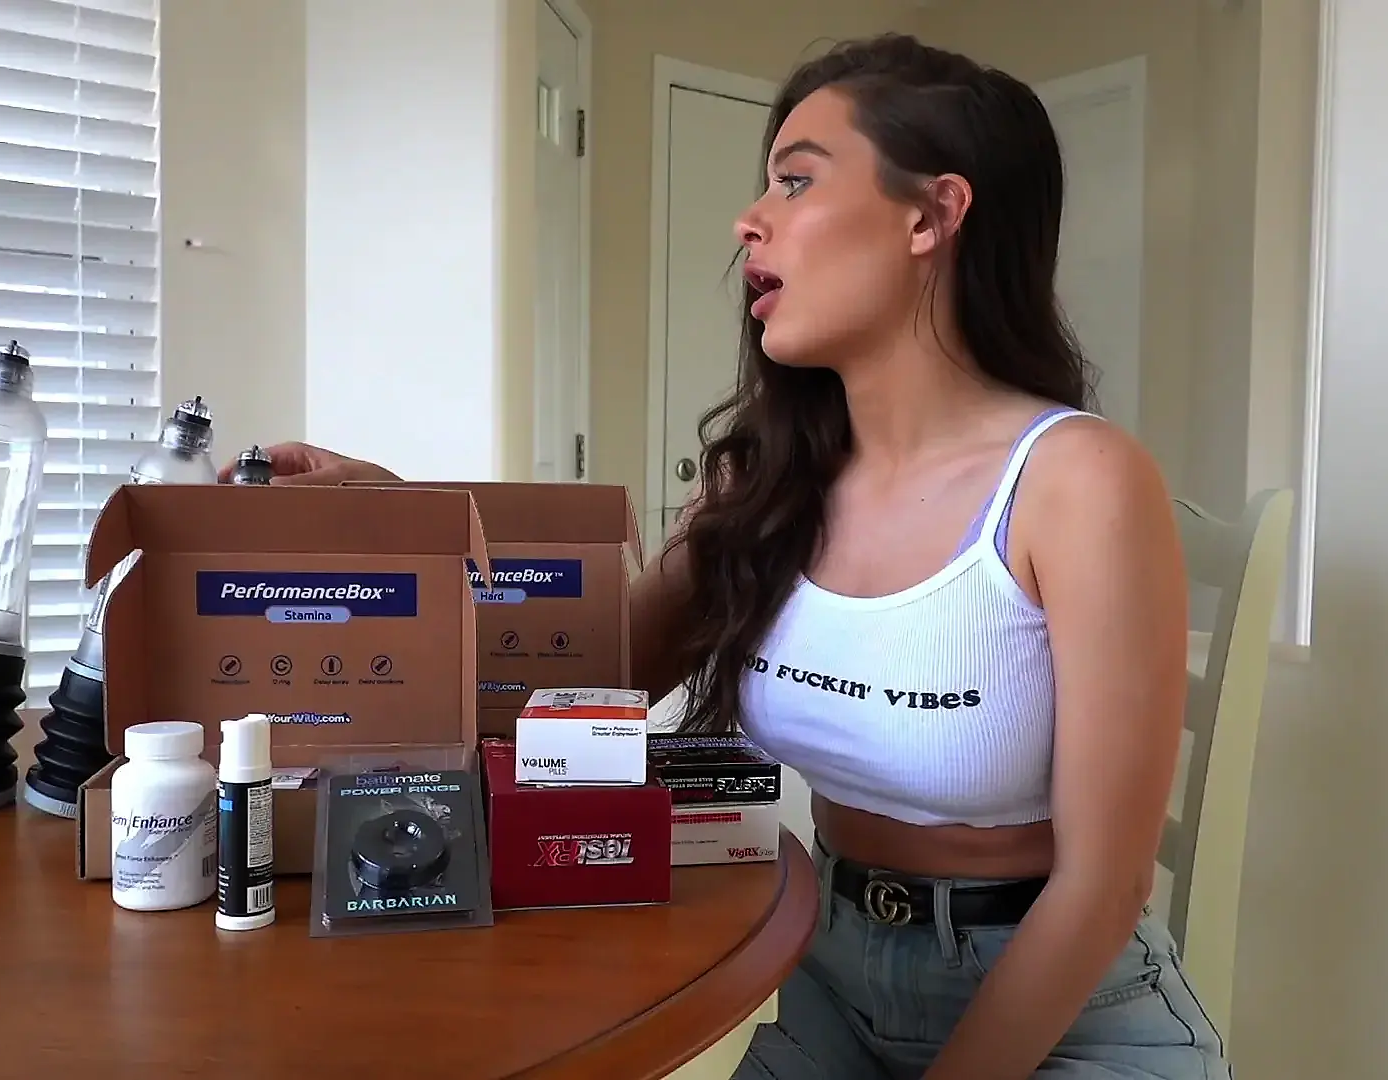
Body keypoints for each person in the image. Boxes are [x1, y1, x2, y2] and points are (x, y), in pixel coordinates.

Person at [237, 31, 1226, 1080]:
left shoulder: (1077, 482)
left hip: (1063, 1011)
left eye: (796, 181)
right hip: (828, 978)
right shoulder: (769, 484)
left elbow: (1105, 888)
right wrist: (402, 523)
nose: (748, 220)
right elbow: (572, 682)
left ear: (932, 215)